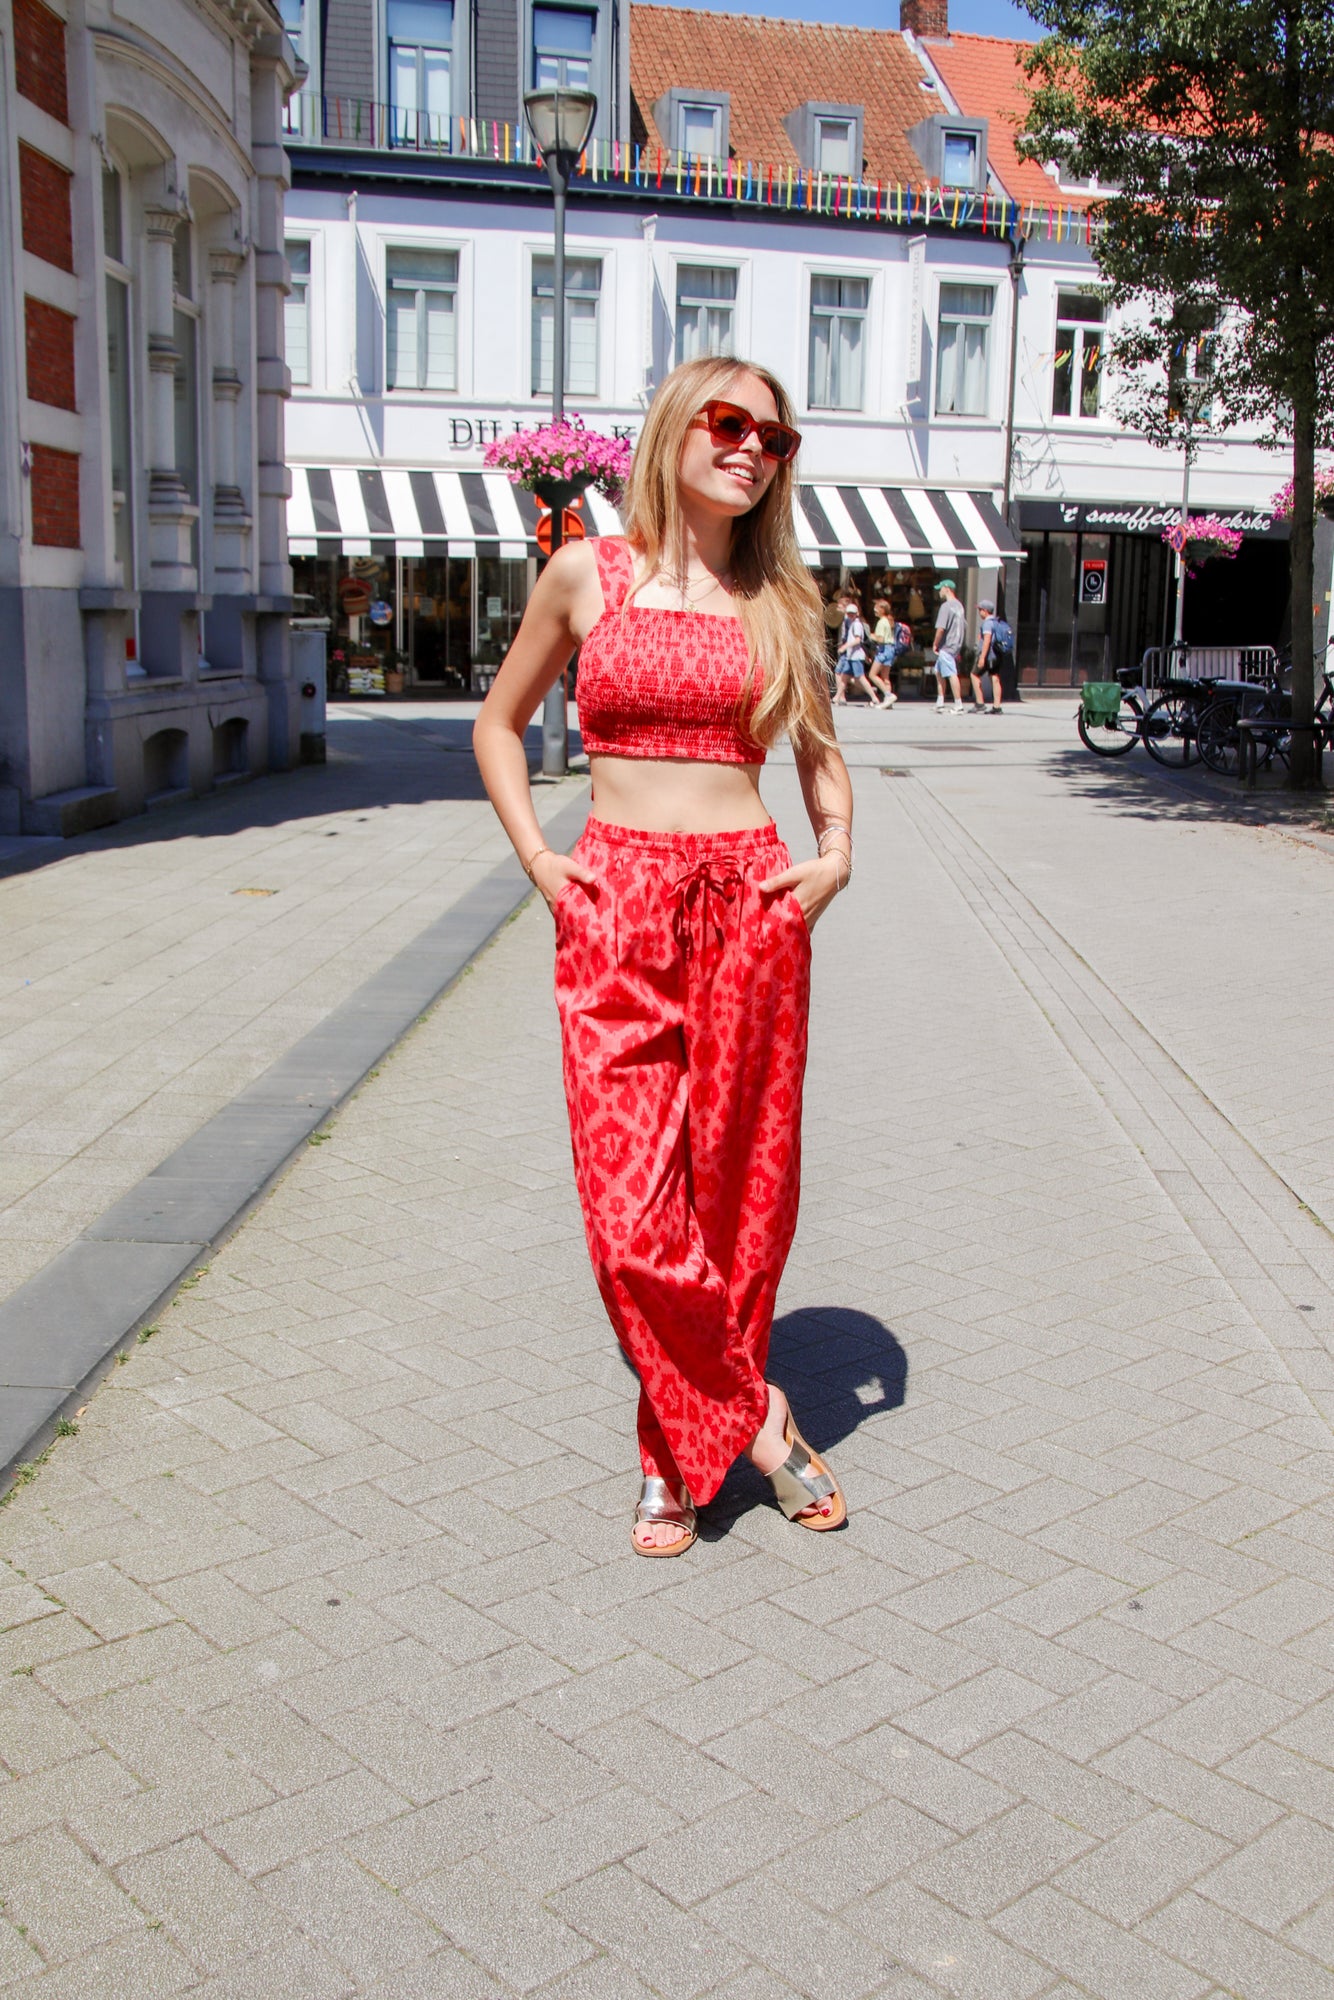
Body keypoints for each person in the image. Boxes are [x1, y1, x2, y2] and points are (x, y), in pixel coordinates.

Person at [474, 356, 851, 1557]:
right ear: (674, 429)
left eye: (774, 439)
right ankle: (757, 1419)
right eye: (729, 422)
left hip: (749, 904)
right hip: (617, 903)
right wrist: (541, 859)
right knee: (630, 1212)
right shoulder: (586, 573)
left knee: (738, 1197)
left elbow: (818, 751)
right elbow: (496, 722)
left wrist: (834, 853)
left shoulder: (779, 599)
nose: (750, 448)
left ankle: (667, 1457)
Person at [834, 593, 881, 706]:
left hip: (856, 655)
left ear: (856, 614)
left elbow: (858, 640)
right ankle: (837, 697)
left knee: (860, 677)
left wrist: (844, 647)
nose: (850, 615)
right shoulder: (849, 622)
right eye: (849, 613)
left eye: (852, 614)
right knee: (844, 676)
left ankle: (874, 696)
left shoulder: (857, 624)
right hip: (850, 655)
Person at [932, 578, 967, 714]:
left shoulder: (946, 607)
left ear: (947, 588)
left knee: (951, 673)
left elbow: (941, 628)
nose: (939, 591)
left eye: (940, 588)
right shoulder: (959, 606)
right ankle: (940, 702)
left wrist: (935, 644)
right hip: (956, 643)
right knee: (938, 671)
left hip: (947, 645)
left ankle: (958, 705)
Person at [970, 598, 1004, 713]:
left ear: (985, 611)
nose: (979, 612)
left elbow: (987, 641)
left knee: (974, 675)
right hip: (997, 655)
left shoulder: (987, 624)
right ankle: (997, 706)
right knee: (995, 677)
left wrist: (982, 657)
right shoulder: (997, 622)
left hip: (988, 655)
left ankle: (980, 703)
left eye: (980, 610)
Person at [869, 597, 901, 707]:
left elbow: (881, 639)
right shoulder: (888, 621)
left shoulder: (881, 623)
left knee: (872, 674)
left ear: (883, 609)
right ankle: (888, 702)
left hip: (883, 650)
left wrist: (871, 636)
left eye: (877, 608)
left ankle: (888, 695)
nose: (874, 610)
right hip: (890, 649)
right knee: (885, 677)